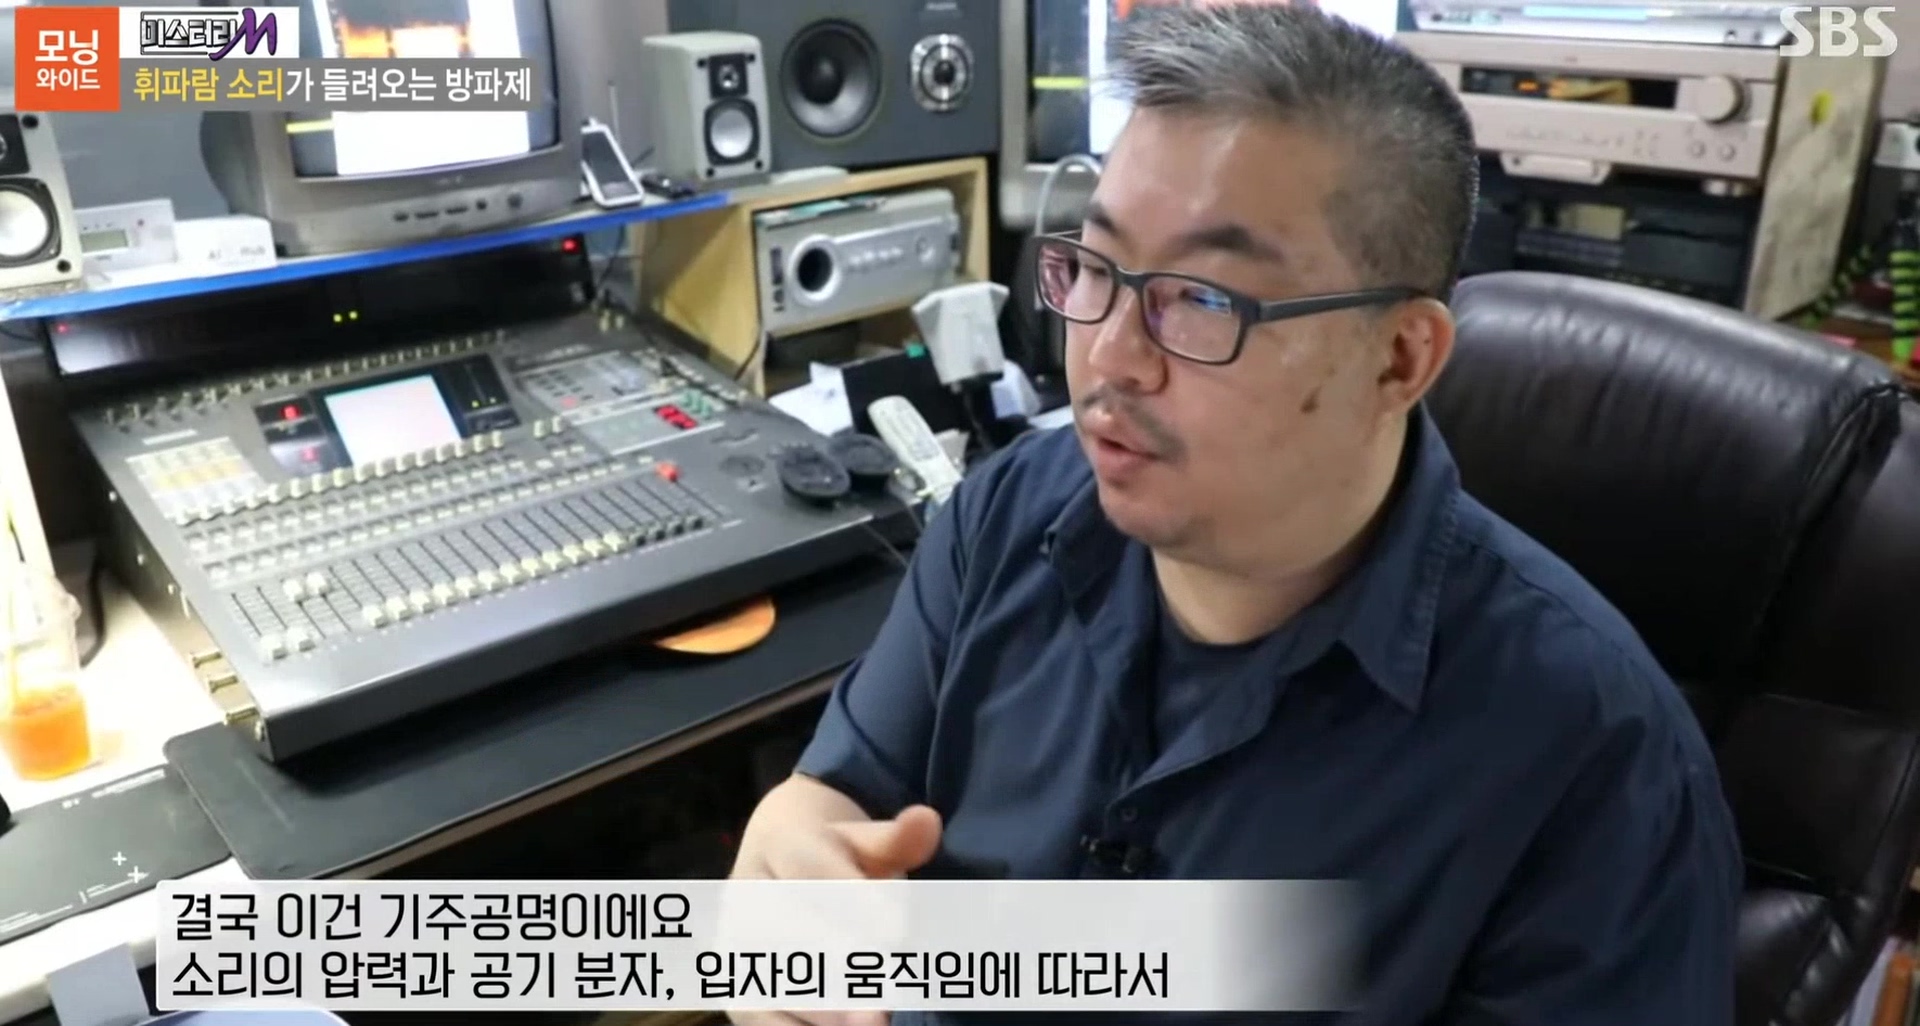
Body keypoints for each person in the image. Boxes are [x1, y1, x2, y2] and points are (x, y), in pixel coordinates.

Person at [728, 4, 1743, 1024]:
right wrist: (791, 843)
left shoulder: (1598, 764)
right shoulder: (1008, 514)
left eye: (1204, 299)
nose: (1111, 357)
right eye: (1097, 268)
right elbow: (837, 796)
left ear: (1400, 358)